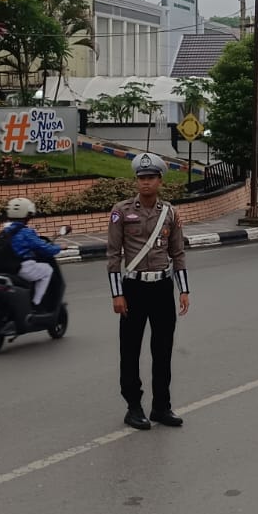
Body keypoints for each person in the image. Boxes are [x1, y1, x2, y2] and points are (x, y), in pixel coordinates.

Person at [108, 153, 190, 431]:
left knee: (163, 349)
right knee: (130, 350)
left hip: (162, 288)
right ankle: (133, 407)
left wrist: (184, 290)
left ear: (159, 181)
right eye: (141, 178)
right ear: (136, 181)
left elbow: (177, 253)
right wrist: (117, 295)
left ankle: (161, 406)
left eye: (150, 178)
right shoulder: (121, 211)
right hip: (133, 288)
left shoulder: (170, 213)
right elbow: (112, 256)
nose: (145, 183)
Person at [0, 196, 62, 313]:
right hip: (23, 267)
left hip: (7, 267)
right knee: (47, 270)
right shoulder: (26, 232)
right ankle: (36, 303)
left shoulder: (6, 231)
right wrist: (59, 247)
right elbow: (43, 248)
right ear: (27, 215)